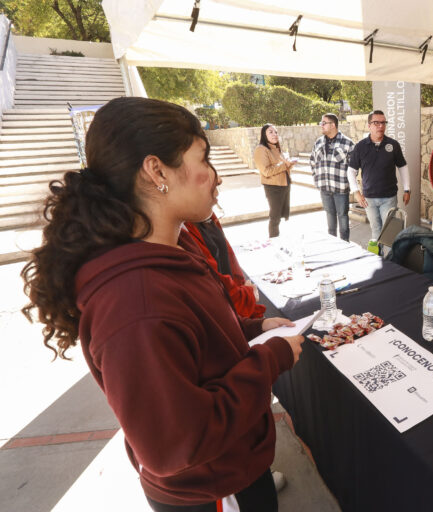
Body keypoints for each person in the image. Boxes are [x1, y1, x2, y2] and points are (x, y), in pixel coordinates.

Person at [21, 97, 304, 512]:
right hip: (209, 491)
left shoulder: (174, 246)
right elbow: (173, 443)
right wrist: (270, 359)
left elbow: (197, 335)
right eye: (203, 160)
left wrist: (253, 330)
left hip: (235, 467)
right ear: (157, 171)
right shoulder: (134, 304)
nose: (215, 177)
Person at [184, 212, 266, 319]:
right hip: (226, 309)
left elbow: (227, 259)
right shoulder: (181, 233)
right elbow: (211, 287)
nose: (216, 194)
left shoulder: (206, 215)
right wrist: (247, 295)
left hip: (235, 306)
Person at [347, 110, 410, 240]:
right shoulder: (360, 147)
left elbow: (402, 167)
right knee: (375, 230)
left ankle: (389, 258)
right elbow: (351, 171)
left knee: (389, 232)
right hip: (368, 199)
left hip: (389, 198)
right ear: (369, 125)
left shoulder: (393, 145)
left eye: (383, 123)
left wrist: (407, 189)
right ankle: (379, 258)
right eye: (376, 123)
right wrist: (356, 192)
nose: (380, 126)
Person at [310, 113, 355, 241]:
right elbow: (312, 162)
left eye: (324, 123)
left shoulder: (348, 143)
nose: (321, 125)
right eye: (321, 123)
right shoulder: (318, 142)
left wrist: (347, 183)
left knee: (343, 221)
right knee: (330, 223)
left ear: (333, 125)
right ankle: (332, 246)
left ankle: (345, 245)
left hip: (341, 190)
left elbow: (354, 167)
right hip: (324, 189)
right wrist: (317, 179)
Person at [254, 124, 296, 238]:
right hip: (273, 187)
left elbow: (283, 167)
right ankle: (273, 240)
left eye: (276, 132)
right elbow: (266, 171)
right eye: (270, 132)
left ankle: (276, 239)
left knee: (278, 216)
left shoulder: (276, 148)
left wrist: (289, 164)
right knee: (275, 217)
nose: (274, 134)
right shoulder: (261, 149)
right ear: (264, 135)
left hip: (284, 185)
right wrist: (284, 165)